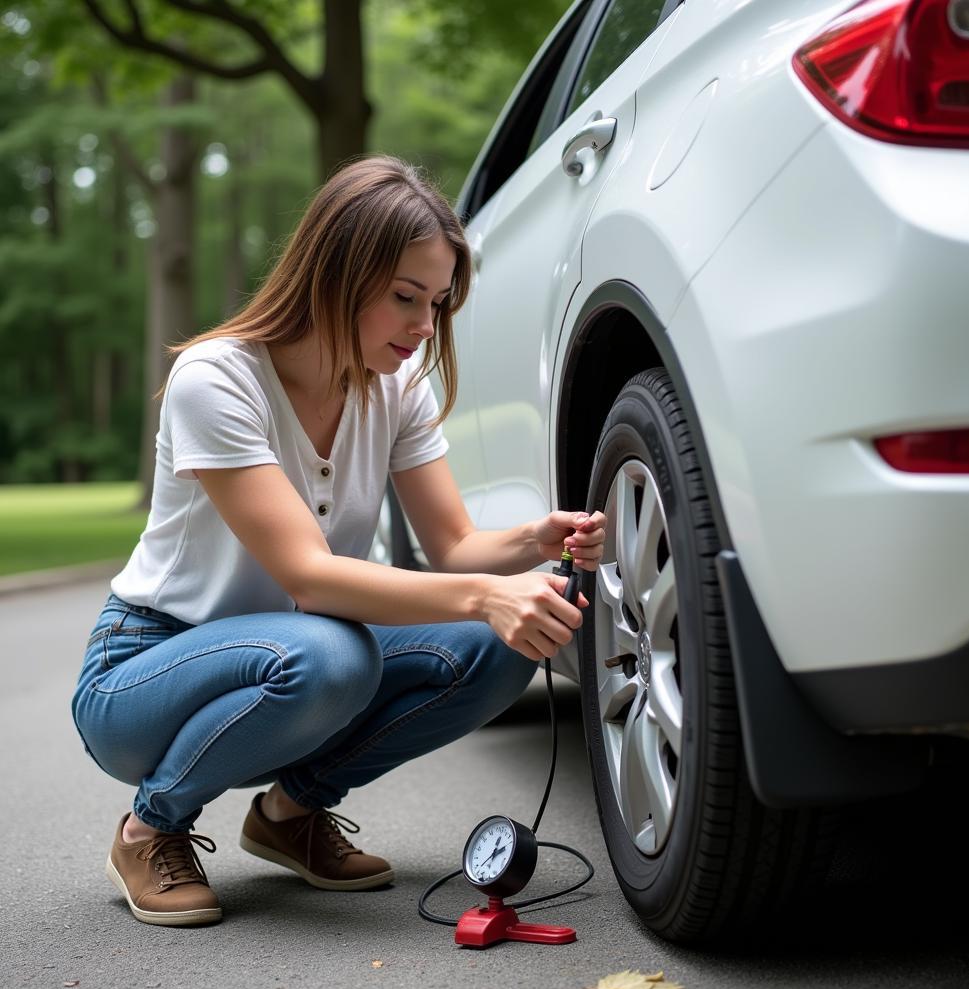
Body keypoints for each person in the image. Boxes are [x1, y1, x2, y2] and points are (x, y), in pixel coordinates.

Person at [71, 155, 606, 928]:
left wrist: (532, 539)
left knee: (499, 646)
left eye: (438, 303)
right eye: (404, 298)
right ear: (336, 273)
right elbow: (310, 579)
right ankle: (150, 827)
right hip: (143, 673)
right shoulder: (216, 378)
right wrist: (488, 594)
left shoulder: (397, 386)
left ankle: (289, 816)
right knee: (333, 655)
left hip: (297, 651)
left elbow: (453, 546)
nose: (424, 326)